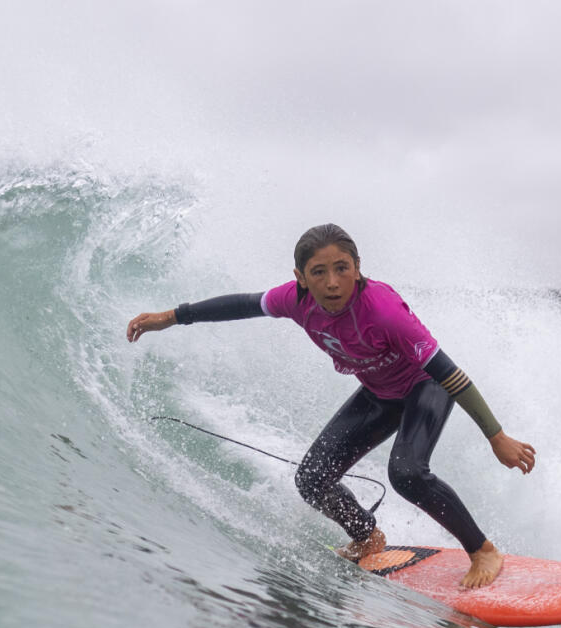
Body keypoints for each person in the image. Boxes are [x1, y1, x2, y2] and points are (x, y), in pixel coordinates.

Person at [126, 224, 536, 589]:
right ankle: (367, 536)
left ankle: (482, 550)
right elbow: (242, 305)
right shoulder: (294, 300)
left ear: (358, 267)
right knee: (312, 479)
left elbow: (451, 374)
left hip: (425, 386)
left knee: (407, 473)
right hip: (379, 391)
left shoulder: (384, 312)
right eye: (318, 272)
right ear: (300, 278)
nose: (332, 282)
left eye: (342, 268)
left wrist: (496, 436)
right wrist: (173, 317)